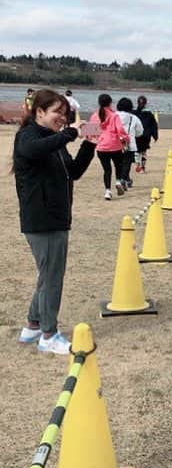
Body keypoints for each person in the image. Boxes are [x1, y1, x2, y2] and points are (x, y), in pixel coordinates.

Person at [13, 89, 96, 354]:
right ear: (39, 112)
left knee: (47, 275)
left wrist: (90, 143)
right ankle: (49, 334)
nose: (62, 117)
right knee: (52, 277)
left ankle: (33, 326)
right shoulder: (28, 137)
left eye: (65, 113)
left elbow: (73, 172)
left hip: (56, 218)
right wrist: (70, 133)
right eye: (56, 113)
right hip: (42, 220)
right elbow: (34, 150)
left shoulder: (53, 141)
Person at [89, 93, 129, 199]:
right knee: (118, 165)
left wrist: (92, 138)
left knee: (107, 170)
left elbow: (90, 133)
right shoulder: (114, 115)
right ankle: (118, 181)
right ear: (110, 103)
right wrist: (126, 139)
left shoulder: (94, 115)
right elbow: (120, 130)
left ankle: (107, 191)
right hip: (115, 145)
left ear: (99, 102)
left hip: (101, 147)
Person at [116, 97, 144, 189]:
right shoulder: (134, 118)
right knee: (127, 163)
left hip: (115, 143)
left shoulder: (113, 116)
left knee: (118, 163)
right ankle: (124, 179)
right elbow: (140, 131)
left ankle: (121, 179)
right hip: (129, 144)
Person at [134, 95, 159, 173]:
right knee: (143, 152)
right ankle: (142, 167)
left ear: (137, 103)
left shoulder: (134, 113)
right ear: (146, 103)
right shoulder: (149, 114)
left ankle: (137, 165)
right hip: (146, 135)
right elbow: (154, 126)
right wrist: (155, 135)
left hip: (137, 135)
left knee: (137, 151)